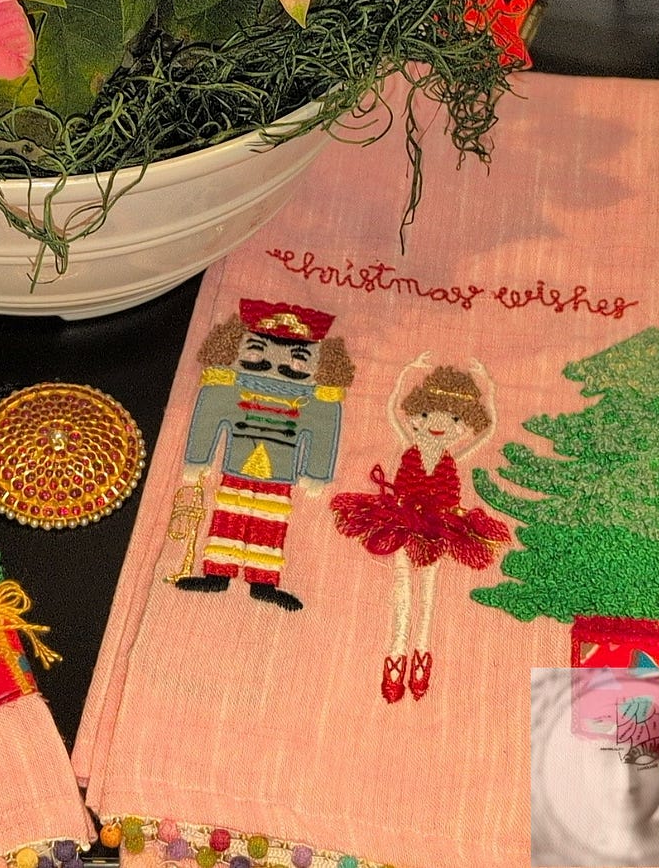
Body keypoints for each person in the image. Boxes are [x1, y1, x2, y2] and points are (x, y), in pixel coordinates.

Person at [330, 354, 510, 702]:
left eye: (454, 418)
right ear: (416, 418)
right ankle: (396, 656)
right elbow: (391, 409)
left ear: (462, 425)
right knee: (404, 589)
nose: (438, 424)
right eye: (426, 415)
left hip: (439, 526)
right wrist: (405, 371)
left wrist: (489, 383)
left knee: (426, 592)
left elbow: (488, 432)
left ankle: (419, 657)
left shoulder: (450, 457)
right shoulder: (411, 446)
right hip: (401, 519)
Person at [173, 298, 353, 611]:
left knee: (271, 518)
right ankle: (217, 572)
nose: (278, 364)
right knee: (229, 513)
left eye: (298, 361)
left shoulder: (315, 401)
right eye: (257, 350)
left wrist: (316, 472)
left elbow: (323, 432)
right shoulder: (229, 386)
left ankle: (263, 581)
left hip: (279, 472)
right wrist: (198, 459)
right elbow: (209, 417)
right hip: (238, 464)